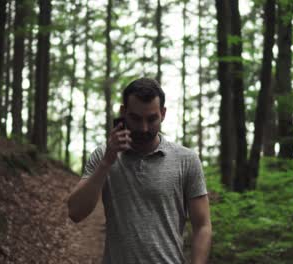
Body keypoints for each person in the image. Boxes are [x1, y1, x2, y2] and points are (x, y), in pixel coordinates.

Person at [67, 78, 212, 264]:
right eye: (136, 118)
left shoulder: (186, 160)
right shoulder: (103, 155)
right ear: (123, 113)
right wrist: (107, 162)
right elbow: (75, 212)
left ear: (163, 113)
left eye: (152, 119)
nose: (144, 128)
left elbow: (202, 225)